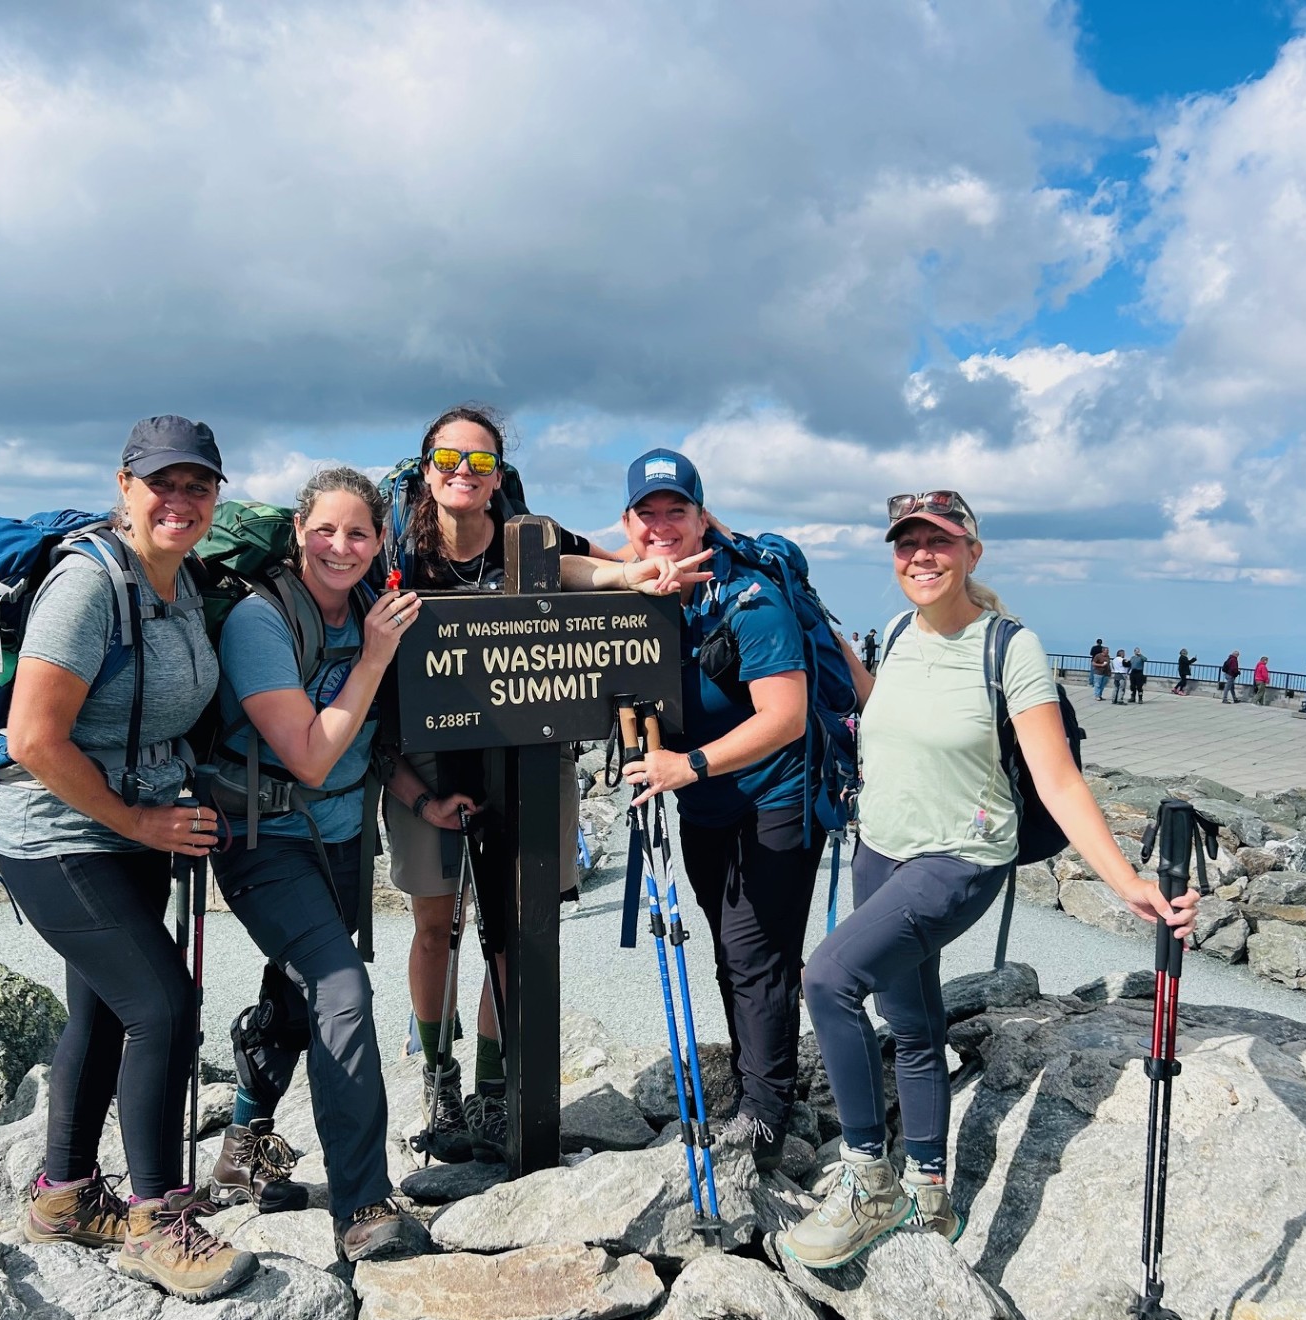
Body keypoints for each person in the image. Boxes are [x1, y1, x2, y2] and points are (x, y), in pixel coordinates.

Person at [779, 490, 1198, 1269]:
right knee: (912, 1023)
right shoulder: (901, 632)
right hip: (883, 849)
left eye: (938, 542)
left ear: (973, 551)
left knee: (828, 978)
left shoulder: (1011, 648)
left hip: (958, 860)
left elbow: (1060, 782)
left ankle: (870, 1178)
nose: (921, 557)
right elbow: (893, 713)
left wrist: (1125, 882)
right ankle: (931, 1194)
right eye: (906, 544)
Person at [379, 406, 700, 1160]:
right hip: (429, 755)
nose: (465, 474)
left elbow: (579, 563)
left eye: (482, 463)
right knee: (436, 926)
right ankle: (440, 1079)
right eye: (451, 461)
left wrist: (630, 574)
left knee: (518, 929)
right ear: (427, 469)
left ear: (499, 476)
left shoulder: (525, 531)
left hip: (531, 745)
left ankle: (495, 1091)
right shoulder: (400, 546)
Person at [0, 415, 252, 1301]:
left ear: (216, 496)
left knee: (106, 1013)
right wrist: (137, 823)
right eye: (163, 483)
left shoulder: (178, 585)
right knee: (165, 1006)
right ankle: (156, 1220)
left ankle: (63, 1200)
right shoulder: (88, 586)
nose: (179, 500)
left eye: (197, 485)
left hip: (134, 824)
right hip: (56, 834)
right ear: (124, 486)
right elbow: (32, 738)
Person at [203, 466, 439, 1262]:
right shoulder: (259, 622)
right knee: (339, 988)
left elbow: (366, 742)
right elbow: (308, 756)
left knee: (300, 995)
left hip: (342, 837)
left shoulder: (372, 610)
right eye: (326, 530)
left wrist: (422, 798)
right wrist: (374, 654)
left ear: (380, 543)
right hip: (262, 837)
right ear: (300, 530)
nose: (342, 546)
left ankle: (247, 1164)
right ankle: (363, 1203)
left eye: (360, 533)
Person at [615, 447, 847, 1174]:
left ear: (702, 515)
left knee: (756, 955)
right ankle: (762, 1088)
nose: (661, 527)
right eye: (646, 515)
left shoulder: (751, 597)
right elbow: (554, 550)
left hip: (775, 797)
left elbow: (784, 715)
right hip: (706, 804)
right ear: (628, 523)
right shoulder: (647, 577)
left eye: (675, 512)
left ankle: (765, 1117)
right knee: (731, 949)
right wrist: (622, 571)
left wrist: (686, 765)